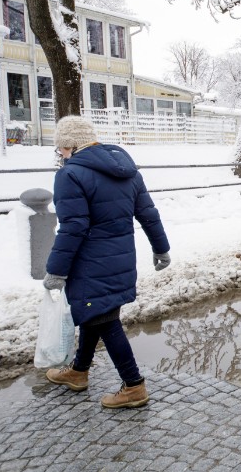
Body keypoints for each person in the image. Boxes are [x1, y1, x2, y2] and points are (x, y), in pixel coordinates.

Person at [42, 116, 171, 409]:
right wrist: (161, 248)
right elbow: (148, 213)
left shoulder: (70, 174)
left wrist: (56, 270)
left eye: (60, 148)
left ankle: (134, 385)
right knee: (96, 313)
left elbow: (73, 227)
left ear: (70, 145)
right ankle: (78, 372)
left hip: (89, 264)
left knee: (104, 319)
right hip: (121, 259)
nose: (60, 154)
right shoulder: (128, 170)